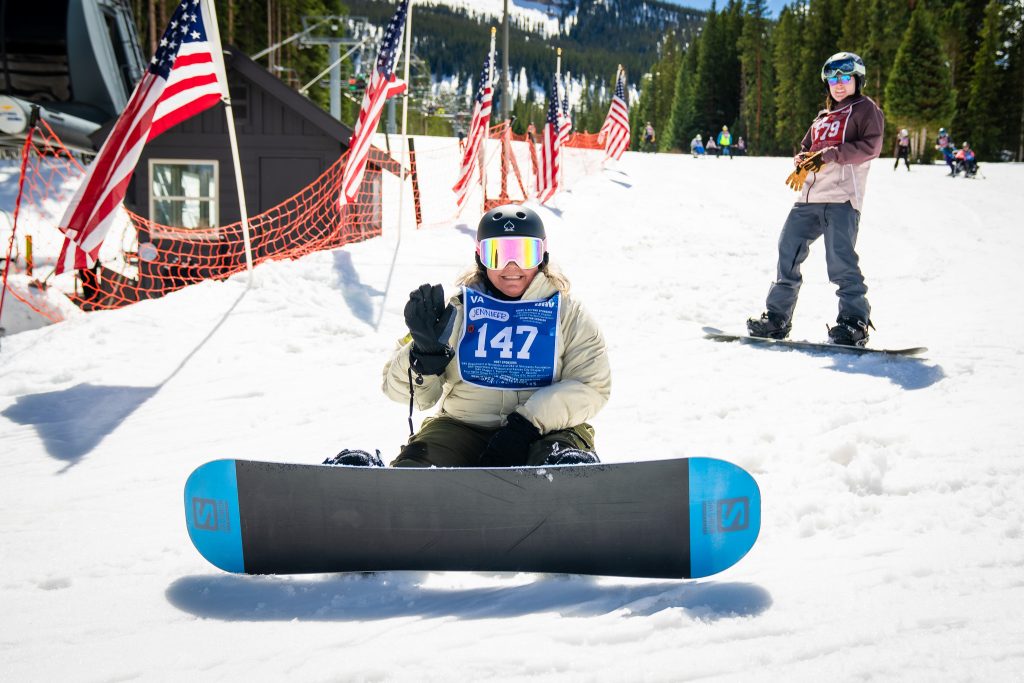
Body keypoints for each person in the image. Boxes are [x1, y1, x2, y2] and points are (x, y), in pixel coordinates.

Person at [329, 205, 612, 469]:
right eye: (497, 254)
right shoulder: (456, 311)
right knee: (423, 462)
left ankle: (567, 474)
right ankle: (395, 481)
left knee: (555, 458)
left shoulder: (567, 313)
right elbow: (400, 391)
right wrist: (422, 359)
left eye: (525, 253)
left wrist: (525, 425)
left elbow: (591, 385)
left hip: (547, 427)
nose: (511, 266)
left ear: (543, 256)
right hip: (463, 425)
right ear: (480, 258)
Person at [747, 51, 884, 347]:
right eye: (833, 79)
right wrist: (802, 161)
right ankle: (777, 318)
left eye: (845, 77)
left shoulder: (865, 109)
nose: (839, 84)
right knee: (787, 251)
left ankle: (854, 322)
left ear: (858, 80)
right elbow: (806, 148)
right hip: (808, 200)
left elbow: (871, 147)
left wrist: (829, 154)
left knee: (840, 261)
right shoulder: (822, 118)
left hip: (842, 200)